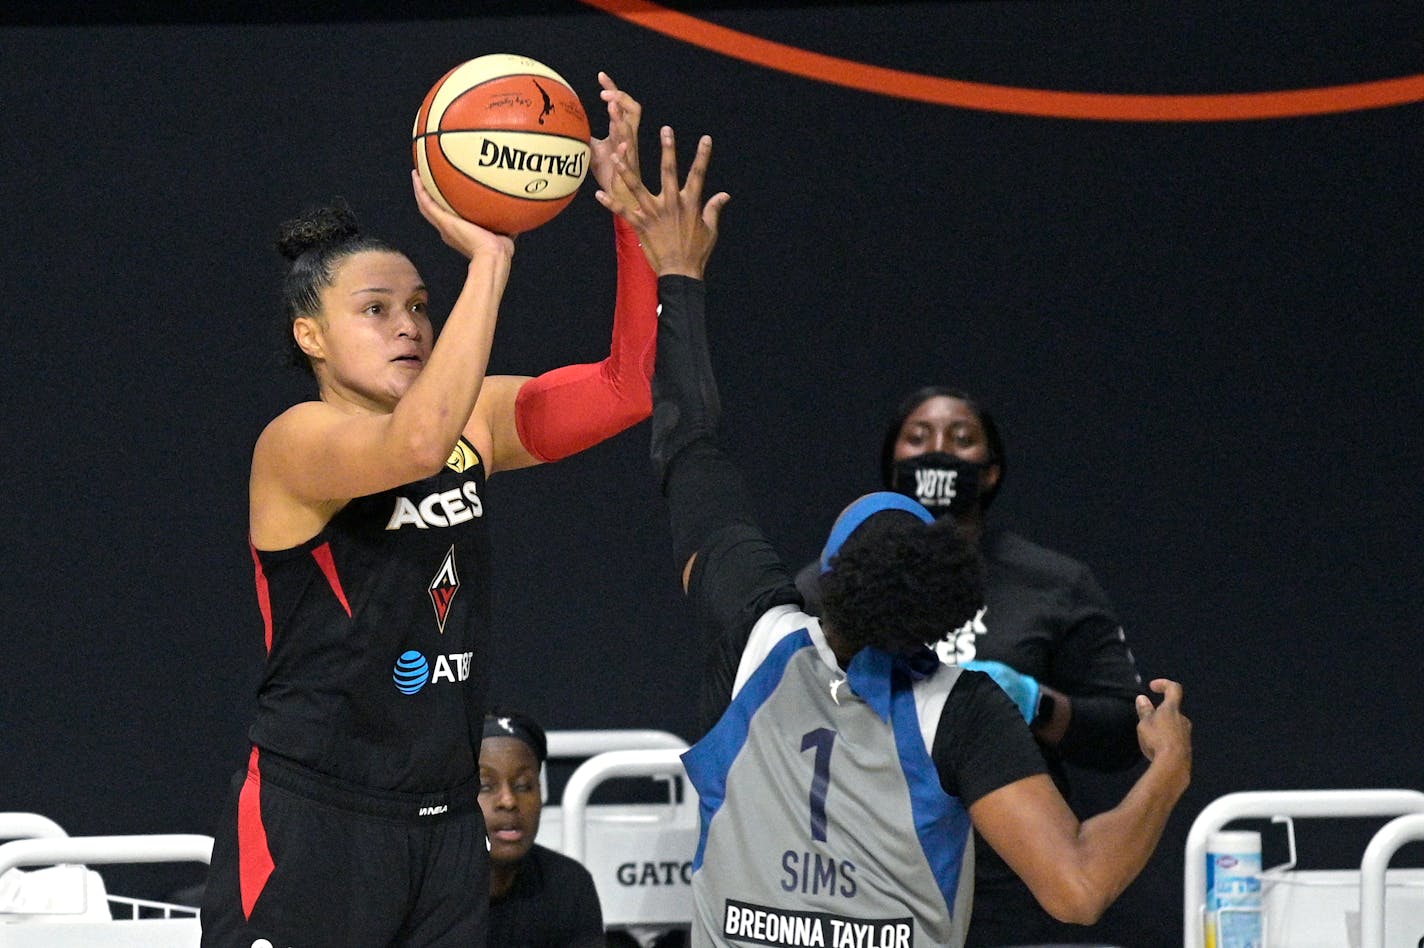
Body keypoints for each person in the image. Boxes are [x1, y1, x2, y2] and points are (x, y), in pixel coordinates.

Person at [597, 124, 1192, 946]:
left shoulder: (757, 632)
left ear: (829, 575)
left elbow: (688, 441)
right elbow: (1081, 887)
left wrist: (676, 272)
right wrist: (1168, 770)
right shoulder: (965, 707)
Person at [200, 75, 655, 948]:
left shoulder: (471, 420)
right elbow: (412, 447)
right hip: (318, 814)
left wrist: (627, 223)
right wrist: (491, 259)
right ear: (311, 335)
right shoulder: (296, 441)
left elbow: (627, 389)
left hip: (445, 828)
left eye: (419, 305)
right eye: (375, 310)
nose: (409, 324)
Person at [794, 388, 1147, 945]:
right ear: (892, 465)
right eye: (918, 437)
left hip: (1011, 883)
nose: (939, 451)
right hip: (863, 881)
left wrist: (1038, 704)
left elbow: (1126, 730)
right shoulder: (833, 584)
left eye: (962, 439)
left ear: (991, 471)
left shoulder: (1051, 584)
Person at [481, 710, 605, 948]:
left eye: (523, 785)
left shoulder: (567, 886)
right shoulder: (417, 891)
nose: (508, 801)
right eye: (485, 786)